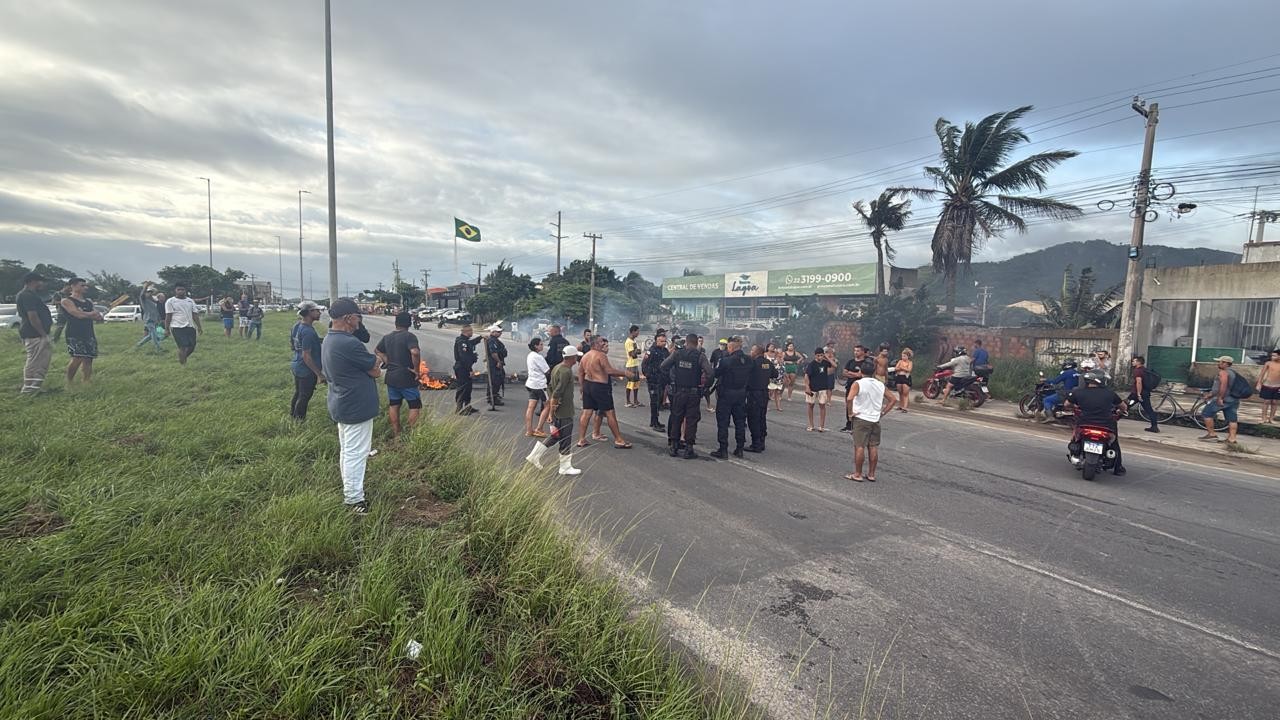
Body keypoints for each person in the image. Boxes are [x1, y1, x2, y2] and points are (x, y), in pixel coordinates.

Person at [321, 298, 382, 513]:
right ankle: (355, 500)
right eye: (358, 316)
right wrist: (376, 363)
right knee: (357, 453)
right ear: (348, 318)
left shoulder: (330, 339)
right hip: (355, 406)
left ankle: (351, 491)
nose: (359, 321)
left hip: (342, 403)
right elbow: (375, 370)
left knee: (348, 451)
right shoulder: (349, 343)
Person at [524, 346, 583, 476]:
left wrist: (552, 408)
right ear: (572, 358)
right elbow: (557, 392)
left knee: (556, 435)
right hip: (564, 411)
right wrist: (552, 410)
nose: (577, 359)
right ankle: (565, 467)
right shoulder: (566, 372)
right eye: (576, 357)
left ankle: (534, 456)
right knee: (565, 437)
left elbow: (550, 387)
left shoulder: (557, 368)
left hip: (557, 410)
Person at [661, 333, 714, 458]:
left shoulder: (677, 354)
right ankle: (689, 448)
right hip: (693, 392)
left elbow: (663, 366)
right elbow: (710, 373)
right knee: (691, 420)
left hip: (678, 391)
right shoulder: (700, 356)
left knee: (676, 417)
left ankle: (674, 446)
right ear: (696, 343)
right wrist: (705, 386)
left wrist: (670, 380)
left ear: (686, 342)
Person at [1065, 371, 1126, 476]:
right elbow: (1123, 407)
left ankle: (1075, 451)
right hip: (1106, 425)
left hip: (1085, 423)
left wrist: (1074, 407)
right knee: (1114, 443)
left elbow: (1067, 404)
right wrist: (1119, 412)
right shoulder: (1110, 393)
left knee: (1075, 435)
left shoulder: (1078, 392)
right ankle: (1118, 467)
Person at [576, 336, 632, 449]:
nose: (603, 344)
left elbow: (580, 373)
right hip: (600, 386)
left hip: (588, 385)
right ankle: (619, 440)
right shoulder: (601, 355)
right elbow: (609, 371)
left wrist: (582, 388)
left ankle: (581, 439)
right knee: (610, 412)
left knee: (586, 412)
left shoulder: (585, 356)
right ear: (596, 344)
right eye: (601, 342)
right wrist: (625, 373)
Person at [845, 365, 898, 482]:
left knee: (859, 446)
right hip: (875, 419)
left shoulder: (858, 383)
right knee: (873, 446)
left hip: (861, 418)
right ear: (873, 372)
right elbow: (893, 399)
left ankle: (857, 474)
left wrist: (850, 413)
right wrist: (882, 413)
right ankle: (871, 474)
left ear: (860, 372)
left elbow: (849, 399)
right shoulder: (880, 384)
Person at [374, 312, 422, 439]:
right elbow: (415, 353)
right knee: (414, 405)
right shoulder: (409, 336)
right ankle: (413, 435)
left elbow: (377, 350)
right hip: (406, 376)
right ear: (409, 323)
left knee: (394, 405)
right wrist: (416, 370)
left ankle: (397, 434)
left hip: (391, 377)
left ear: (396, 323)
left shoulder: (387, 337)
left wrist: (387, 361)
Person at [711, 337, 750, 459]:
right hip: (741, 394)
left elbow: (716, 373)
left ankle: (723, 449)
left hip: (726, 394)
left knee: (723, 422)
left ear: (731, 347)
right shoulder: (749, 360)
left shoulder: (726, 361)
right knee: (739, 422)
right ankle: (740, 448)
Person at [60, 277, 102, 385]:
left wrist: (92, 315)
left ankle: (86, 380)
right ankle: (69, 381)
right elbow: (76, 314)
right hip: (74, 333)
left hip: (88, 332)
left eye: (85, 285)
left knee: (89, 357)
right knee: (77, 357)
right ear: (73, 286)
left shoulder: (88, 301)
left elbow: (97, 315)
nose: (85, 287)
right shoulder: (66, 301)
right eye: (82, 285)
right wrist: (90, 314)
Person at [17, 271, 53, 395]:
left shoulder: (31, 295)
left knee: (41, 360)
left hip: (35, 333)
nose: (42, 284)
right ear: (33, 281)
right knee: (35, 361)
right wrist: (43, 334)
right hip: (34, 334)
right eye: (40, 281)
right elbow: (33, 316)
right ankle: (28, 389)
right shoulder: (27, 295)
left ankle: (35, 387)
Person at [289, 301, 325, 421]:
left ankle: (292, 416)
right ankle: (299, 421)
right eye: (317, 311)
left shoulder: (297, 326)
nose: (319, 313)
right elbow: (307, 356)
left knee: (298, 393)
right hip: (306, 369)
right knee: (304, 396)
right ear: (310, 313)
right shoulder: (308, 331)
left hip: (296, 364)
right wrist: (319, 374)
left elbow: (293, 345)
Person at [1199, 356, 1242, 444]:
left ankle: (1212, 434)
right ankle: (1232, 439)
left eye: (1220, 362)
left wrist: (1219, 397)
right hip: (1233, 399)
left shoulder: (1223, 372)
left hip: (1223, 399)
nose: (1218, 364)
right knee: (1232, 419)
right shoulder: (1234, 373)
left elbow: (1223, 386)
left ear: (1225, 363)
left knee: (1206, 413)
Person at [745, 344, 778, 452]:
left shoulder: (753, 363)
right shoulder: (768, 363)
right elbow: (775, 374)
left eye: (752, 350)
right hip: (764, 393)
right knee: (761, 418)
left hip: (754, 393)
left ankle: (756, 444)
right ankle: (762, 441)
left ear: (757, 352)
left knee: (753, 418)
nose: (751, 352)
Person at [841, 345, 877, 432]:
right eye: (855, 350)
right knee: (849, 404)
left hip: (861, 387)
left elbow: (860, 375)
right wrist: (854, 374)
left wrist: (851, 373)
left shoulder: (865, 363)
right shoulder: (850, 362)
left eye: (858, 351)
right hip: (850, 385)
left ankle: (859, 425)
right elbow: (844, 373)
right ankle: (849, 425)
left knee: (860, 406)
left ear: (862, 352)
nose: (855, 352)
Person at [164, 284, 203, 365]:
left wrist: (199, 327)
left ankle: (182, 358)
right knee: (183, 346)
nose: (181, 291)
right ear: (175, 291)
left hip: (190, 326)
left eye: (182, 289)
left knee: (192, 346)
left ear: (185, 290)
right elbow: (168, 316)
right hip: (177, 327)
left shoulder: (190, 301)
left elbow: (195, 315)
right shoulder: (170, 301)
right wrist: (167, 328)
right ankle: (183, 364)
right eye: (179, 289)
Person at [452, 323, 484, 415]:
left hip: (464, 367)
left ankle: (467, 406)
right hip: (462, 368)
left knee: (468, 388)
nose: (472, 332)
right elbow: (464, 358)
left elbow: (471, 343)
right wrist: (469, 370)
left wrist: (481, 337)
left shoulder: (465, 341)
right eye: (471, 331)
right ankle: (459, 408)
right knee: (463, 388)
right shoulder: (462, 342)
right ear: (466, 332)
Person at [641, 332, 670, 431]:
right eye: (661, 341)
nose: (663, 343)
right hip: (653, 380)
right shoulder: (652, 351)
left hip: (662, 380)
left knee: (659, 401)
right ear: (656, 341)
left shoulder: (666, 351)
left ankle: (655, 421)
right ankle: (654, 423)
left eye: (664, 341)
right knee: (654, 401)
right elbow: (644, 364)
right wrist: (648, 375)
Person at [524, 337, 551, 438]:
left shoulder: (530, 355)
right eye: (541, 344)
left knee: (531, 407)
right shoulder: (538, 357)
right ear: (536, 346)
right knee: (547, 405)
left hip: (531, 383)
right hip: (539, 385)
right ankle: (539, 428)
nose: (542, 346)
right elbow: (547, 371)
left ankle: (529, 430)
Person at [804, 347, 834, 432]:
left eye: (821, 355)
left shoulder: (825, 363)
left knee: (822, 405)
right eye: (818, 355)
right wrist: (807, 387)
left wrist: (827, 357)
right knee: (810, 405)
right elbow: (806, 376)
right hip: (812, 387)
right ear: (815, 355)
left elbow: (834, 365)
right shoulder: (812, 364)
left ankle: (821, 426)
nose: (819, 357)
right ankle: (811, 425)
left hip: (823, 387)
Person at [1129, 355, 1160, 433]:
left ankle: (1110, 423)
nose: (1132, 362)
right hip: (1145, 393)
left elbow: (1139, 382)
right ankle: (1154, 426)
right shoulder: (1145, 370)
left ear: (1138, 362)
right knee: (1149, 410)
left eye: (1134, 361)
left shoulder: (1138, 371)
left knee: (1124, 406)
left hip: (1137, 394)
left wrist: (1139, 394)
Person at [134, 285, 164, 352]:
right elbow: (142, 295)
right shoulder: (144, 300)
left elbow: (157, 311)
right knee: (154, 334)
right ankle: (158, 348)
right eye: (149, 292)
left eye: (151, 292)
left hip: (154, 320)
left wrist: (158, 319)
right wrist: (145, 286)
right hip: (149, 320)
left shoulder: (154, 302)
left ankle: (138, 345)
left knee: (150, 335)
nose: (150, 293)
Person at [484, 324, 507, 407]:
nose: (500, 333)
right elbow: (494, 353)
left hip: (497, 363)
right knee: (495, 381)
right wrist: (498, 361)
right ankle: (492, 398)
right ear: (493, 332)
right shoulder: (492, 340)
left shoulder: (495, 340)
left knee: (499, 378)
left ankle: (494, 395)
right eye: (498, 332)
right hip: (494, 364)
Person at [1256, 349, 1280, 424]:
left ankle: (1271, 418)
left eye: (1274, 356)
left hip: (1277, 386)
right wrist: (1259, 383)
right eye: (1272, 355)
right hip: (1267, 384)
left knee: (1275, 402)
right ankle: (1263, 418)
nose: (1272, 357)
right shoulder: (1268, 363)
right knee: (1266, 401)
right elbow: (1262, 374)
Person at [624, 325, 644, 408]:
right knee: (630, 384)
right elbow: (632, 354)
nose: (638, 333)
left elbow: (638, 352)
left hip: (635, 364)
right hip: (631, 365)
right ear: (633, 331)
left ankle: (635, 400)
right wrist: (637, 351)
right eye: (637, 331)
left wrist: (637, 351)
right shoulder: (629, 342)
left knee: (636, 383)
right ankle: (628, 401)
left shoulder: (634, 341)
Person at [892, 348, 914, 412]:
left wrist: (902, 368)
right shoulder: (900, 361)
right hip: (899, 376)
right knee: (900, 392)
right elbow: (896, 368)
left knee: (905, 393)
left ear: (908, 356)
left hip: (906, 377)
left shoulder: (910, 362)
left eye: (904, 356)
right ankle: (900, 405)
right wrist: (901, 368)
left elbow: (909, 370)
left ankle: (905, 407)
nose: (903, 357)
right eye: (902, 356)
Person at [766, 343, 784, 411]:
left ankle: (778, 406)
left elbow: (782, 365)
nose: (773, 348)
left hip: (779, 375)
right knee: (770, 391)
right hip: (770, 375)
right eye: (771, 346)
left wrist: (779, 356)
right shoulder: (768, 356)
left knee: (778, 392)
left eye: (773, 347)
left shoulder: (779, 357)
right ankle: (766, 405)